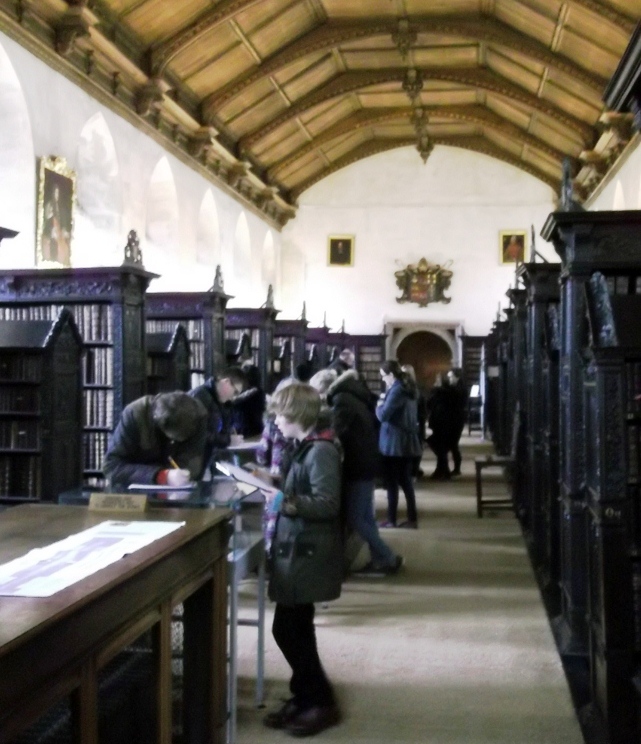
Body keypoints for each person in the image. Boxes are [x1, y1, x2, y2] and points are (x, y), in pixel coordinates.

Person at [262, 383, 343, 736]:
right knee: (296, 628)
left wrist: (283, 501)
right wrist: (270, 482)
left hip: (308, 551)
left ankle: (320, 700)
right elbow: (302, 485)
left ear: (296, 414)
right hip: (299, 547)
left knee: (288, 629)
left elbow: (327, 503)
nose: (276, 421)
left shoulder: (321, 450)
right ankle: (306, 695)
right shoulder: (305, 447)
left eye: (280, 413)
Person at [325, 367, 403, 576]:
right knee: (366, 517)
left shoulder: (342, 400)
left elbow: (336, 431)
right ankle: (380, 558)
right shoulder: (357, 397)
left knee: (356, 517)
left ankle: (387, 556)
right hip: (367, 460)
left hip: (356, 464)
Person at [104, 391, 208, 487]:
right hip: (135, 494)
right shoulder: (135, 414)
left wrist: (185, 474)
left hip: (179, 496)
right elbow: (111, 467)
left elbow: (193, 467)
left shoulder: (199, 417)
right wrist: (161, 475)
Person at [376, 360, 422, 529]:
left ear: (390, 375)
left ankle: (391, 519)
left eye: (383, 376)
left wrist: (379, 405)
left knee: (392, 483)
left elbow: (384, 415)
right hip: (405, 442)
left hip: (394, 443)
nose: (382, 380)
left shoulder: (397, 390)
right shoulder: (409, 388)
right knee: (406, 482)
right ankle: (411, 518)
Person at [189, 367, 246, 468]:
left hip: (207, 459)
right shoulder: (200, 396)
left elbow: (222, 430)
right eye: (235, 392)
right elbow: (196, 433)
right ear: (226, 382)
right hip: (193, 459)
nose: (234, 397)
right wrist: (228, 440)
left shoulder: (223, 402)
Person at [401, 363, 427, 478]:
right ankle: (412, 472)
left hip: (416, 423)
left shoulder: (415, 389)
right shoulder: (404, 388)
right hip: (412, 422)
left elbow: (422, 409)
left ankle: (413, 471)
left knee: (415, 448)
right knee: (411, 449)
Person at [231, 362, 265, 437]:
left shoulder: (252, 392)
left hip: (245, 430)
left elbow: (234, 402)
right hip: (254, 429)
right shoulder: (259, 391)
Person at [446, 367, 469, 476]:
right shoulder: (458, 387)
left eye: (451, 377)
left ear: (457, 377)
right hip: (456, 418)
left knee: (453, 444)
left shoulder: (459, 388)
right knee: (453, 444)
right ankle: (456, 468)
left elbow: (456, 400)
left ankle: (457, 468)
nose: (449, 379)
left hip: (457, 419)